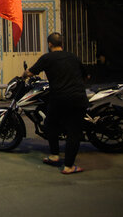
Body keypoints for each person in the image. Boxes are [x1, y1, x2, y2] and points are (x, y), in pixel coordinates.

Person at [23, 32, 89, 175]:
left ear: (50, 44)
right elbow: (87, 75)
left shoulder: (47, 58)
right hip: (77, 98)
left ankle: (59, 159)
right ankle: (64, 162)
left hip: (58, 98)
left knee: (50, 125)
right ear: (62, 44)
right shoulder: (72, 57)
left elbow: (30, 73)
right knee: (73, 132)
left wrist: (23, 75)